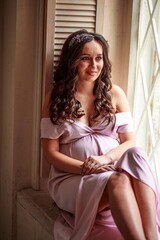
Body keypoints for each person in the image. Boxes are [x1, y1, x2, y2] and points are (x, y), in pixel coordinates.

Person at [41, 29, 160, 240]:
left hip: (110, 170)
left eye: (99, 58)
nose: (94, 66)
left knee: (138, 154)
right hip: (72, 178)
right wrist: (86, 167)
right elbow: (50, 154)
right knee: (117, 180)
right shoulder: (56, 98)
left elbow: (129, 141)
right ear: (72, 61)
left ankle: (152, 236)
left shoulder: (115, 93)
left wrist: (105, 159)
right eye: (85, 59)